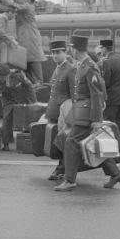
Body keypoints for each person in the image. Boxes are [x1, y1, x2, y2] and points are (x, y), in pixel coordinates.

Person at [54, 35, 120, 192]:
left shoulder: (90, 67)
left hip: (87, 112)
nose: (70, 50)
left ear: (75, 49)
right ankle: (115, 174)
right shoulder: (82, 65)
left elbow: (98, 94)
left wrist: (97, 119)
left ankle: (70, 180)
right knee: (91, 142)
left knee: (71, 142)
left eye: (71, 47)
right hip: (81, 111)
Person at [43, 40, 75, 181]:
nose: (55, 55)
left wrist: (71, 115)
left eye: (58, 52)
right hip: (54, 111)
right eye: (53, 52)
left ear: (65, 52)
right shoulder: (58, 68)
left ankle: (62, 169)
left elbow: (74, 95)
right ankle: (62, 168)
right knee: (56, 141)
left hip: (64, 113)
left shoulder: (70, 69)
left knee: (63, 141)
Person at [4, 0, 46, 85]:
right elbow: (18, 0)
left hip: (30, 34)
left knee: (34, 57)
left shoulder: (27, 6)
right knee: (28, 57)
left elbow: (16, 6)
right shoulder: (27, 4)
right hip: (26, 34)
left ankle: (38, 80)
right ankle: (31, 80)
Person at [98, 39, 120, 154]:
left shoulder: (107, 62)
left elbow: (106, 82)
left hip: (112, 99)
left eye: (101, 48)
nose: (101, 50)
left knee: (109, 126)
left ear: (105, 48)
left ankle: (110, 152)